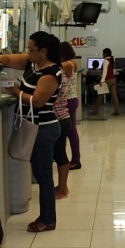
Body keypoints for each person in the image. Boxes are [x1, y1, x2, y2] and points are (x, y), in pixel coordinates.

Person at [0, 31, 62, 233]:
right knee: (41, 173)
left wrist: (15, 91)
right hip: (36, 127)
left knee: (44, 177)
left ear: (43, 52)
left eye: (32, 50)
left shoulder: (51, 73)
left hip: (43, 128)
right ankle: (46, 216)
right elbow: (6, 59)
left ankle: (48, 219)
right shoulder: (33, 64)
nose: (28, 53)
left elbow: (38, 101)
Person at [60, 42, 82, 170]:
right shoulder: (72, 62)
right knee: (70, 131)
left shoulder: (67, 64)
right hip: (71, 99)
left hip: (68, 100)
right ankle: (74, 159)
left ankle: (75, 160)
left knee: (71, 131)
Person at [53, 70, 72, 200]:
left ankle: (63, 188)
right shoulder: (61, 73)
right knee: (59, 153)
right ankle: (62, 186)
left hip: (58, 119)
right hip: (63, 117)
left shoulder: (55, 74)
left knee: (59, 153)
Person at [91, 48, 120, 116]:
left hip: (108, 80)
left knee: (100, 96)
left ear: (105, 54)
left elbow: (105, 72)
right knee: (114, 96)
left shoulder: (105, 61)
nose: (102, 54)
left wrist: (102, 80)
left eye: (103, 53)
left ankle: (95, 111)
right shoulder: (111, 60)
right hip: (113, 79)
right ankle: (117, 111)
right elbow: (112, 71)